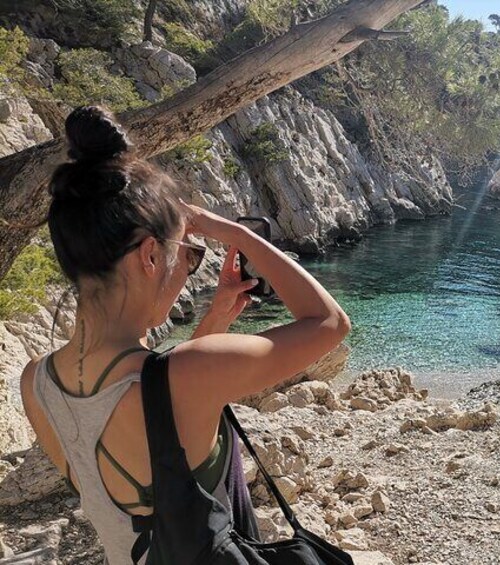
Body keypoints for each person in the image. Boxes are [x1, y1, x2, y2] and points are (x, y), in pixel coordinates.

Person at [18, 105, 352, 565]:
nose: (187, 270)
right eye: (189, 257)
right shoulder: (192, 375)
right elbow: (330, 322)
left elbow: (152, 432)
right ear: (151, 256)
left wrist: (214, 320)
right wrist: (232, 232)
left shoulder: (35, 382)